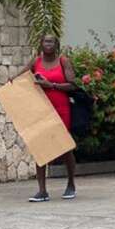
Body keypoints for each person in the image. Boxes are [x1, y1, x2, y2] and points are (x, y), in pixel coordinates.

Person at [24, 34, 78, 203]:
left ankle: (71, 183)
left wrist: (52, 85)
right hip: (41, 110)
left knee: (65, 148)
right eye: (45, 41)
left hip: (61, 109)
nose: (48, 44)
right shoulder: (35, 62)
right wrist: (3, 89)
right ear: (40, 44)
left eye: (51, 41)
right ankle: (42, 191)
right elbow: (19, 79)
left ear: (56, 45)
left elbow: (73, 85)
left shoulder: (64, 61)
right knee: (40, 147)